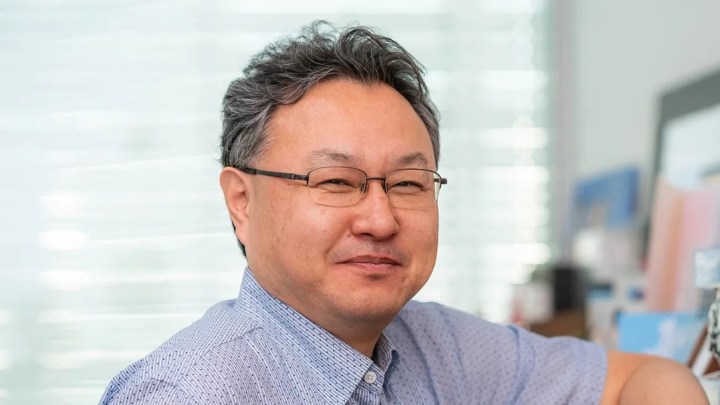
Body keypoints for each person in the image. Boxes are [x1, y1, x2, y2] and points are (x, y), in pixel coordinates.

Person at [99, 21, 707, 404]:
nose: (380, 219)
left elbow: (644, 379)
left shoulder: (437, 346)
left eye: (410, 183)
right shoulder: (189, 390)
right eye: (336, 181)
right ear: (242, 202)